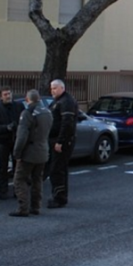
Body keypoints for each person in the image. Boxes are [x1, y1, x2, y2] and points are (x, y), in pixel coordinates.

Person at [9, 89, 53, 217]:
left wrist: (17, 153)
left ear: (27, 100)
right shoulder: (47, 111)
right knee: (37, 179)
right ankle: (36, 206)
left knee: (19, 180)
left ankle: (23, 208)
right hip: (43, 150)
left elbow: (22, 136)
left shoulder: (28, 113)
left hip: (29, 152)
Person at [0, 86, 25, 200]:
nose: (8, 96)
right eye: (5, 94)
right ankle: (3, 191)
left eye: (9, 94)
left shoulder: (18, 106)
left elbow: (24, 121)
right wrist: (6, 128)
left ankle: (17, 190)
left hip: (16, 140)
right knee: (2, 167)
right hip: (3, 141)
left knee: (18, 167)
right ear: (0, 97)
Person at [47, 79, 78, 208]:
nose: (52, 91)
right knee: (58, 169)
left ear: (62, 88)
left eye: (55, 88)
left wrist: (60, 141)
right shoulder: (58, 101)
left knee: (57, 170)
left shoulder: (66, 102)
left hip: (61, 141)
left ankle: (59, 198)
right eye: (51, 88)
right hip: (55, 139)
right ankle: (59, 196)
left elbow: (67, 124)